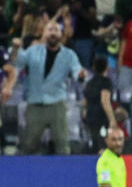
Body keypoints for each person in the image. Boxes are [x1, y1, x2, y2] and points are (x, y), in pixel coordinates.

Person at [12, 21, 87, 155]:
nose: (53, 32)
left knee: (63, 146)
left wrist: (81, 75)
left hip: (57, 104)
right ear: (44, 33)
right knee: (28, 146)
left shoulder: (69, 54)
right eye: (50, 29)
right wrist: (16, 48)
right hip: (35, 104)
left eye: (56, 30)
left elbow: (77, 72)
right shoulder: (33, 51)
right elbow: (18, 62)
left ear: (60, 34)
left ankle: (65, 174)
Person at [83, 58, 121, 153]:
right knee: (103, 147)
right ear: (107, 68)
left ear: (94, 68)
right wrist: (112, 119)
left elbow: (84, 102)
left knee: (94, 144)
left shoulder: (89, 83)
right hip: (101, 119)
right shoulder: (106, 82)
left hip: (90, 117)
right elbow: (105, 101)